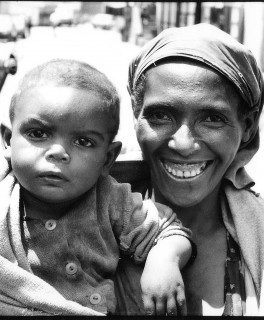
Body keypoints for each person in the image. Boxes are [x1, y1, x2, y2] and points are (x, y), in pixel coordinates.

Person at [115, 23, 264, 316]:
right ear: (135, 114)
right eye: (159, 115)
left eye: (212, 119)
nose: (182, 143)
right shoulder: (84, 216)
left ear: (248, 126)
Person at [0, 59, 194, 316]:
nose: (58, 152)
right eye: (38, 134)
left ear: (108, 158)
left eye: (83, 141)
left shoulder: (110, 200)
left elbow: (170, 231)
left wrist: (164, 260)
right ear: (7, 141)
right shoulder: (5, 197)